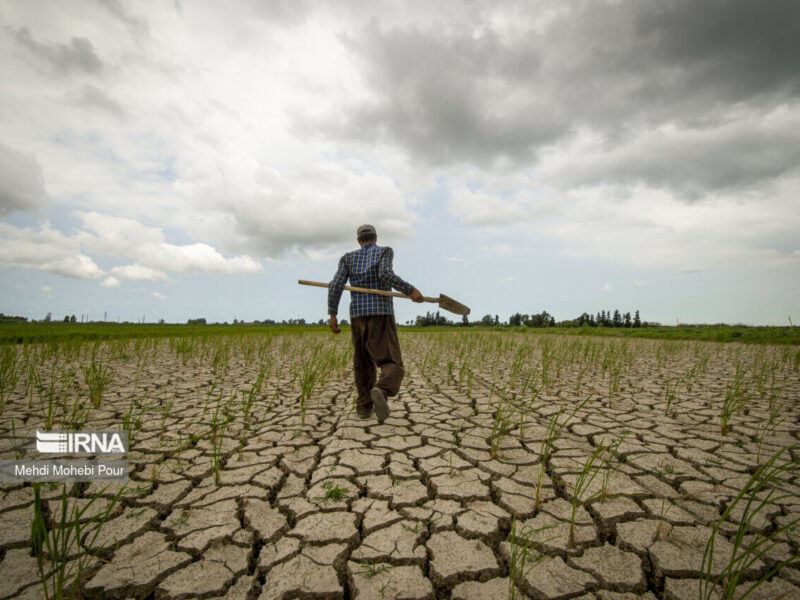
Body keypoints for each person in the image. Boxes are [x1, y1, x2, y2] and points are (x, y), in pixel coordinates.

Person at [328, 224, 423, 422]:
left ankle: (364, 407)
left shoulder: (347, 258)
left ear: (358, 241)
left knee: (362, 362)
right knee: (391, 361)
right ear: (376, 238)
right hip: (380, 313)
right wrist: (410, 290)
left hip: (357, 316)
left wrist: (333, 314)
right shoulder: (384, 251)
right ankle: (381, 389)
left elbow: (336, 284)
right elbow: (385, 275)